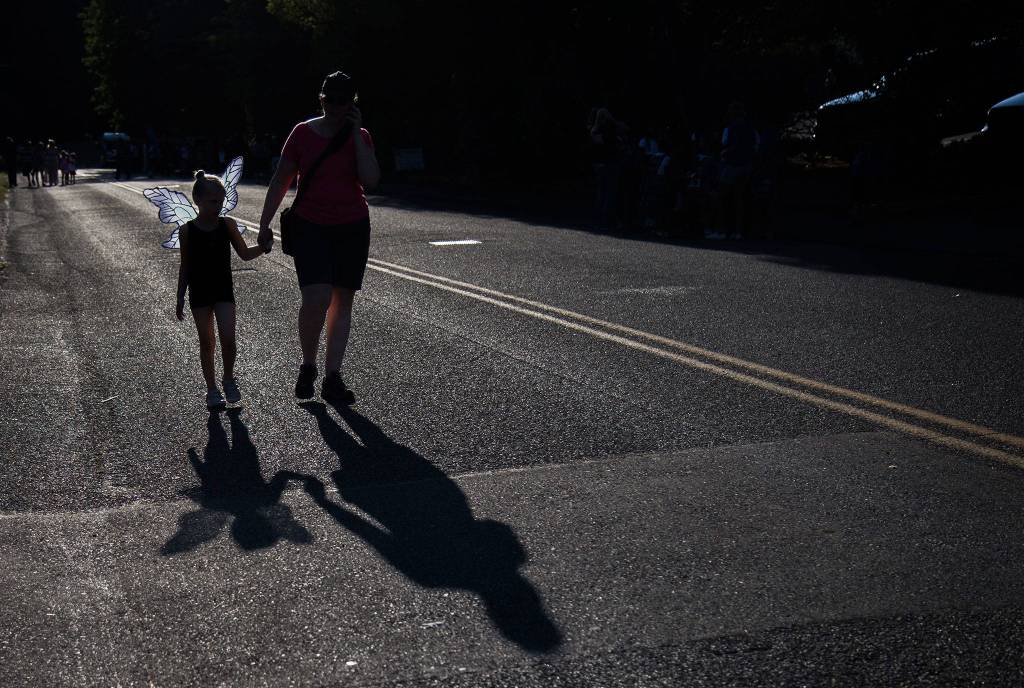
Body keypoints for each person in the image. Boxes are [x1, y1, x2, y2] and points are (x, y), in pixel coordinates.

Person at [257, 71, 380, 403]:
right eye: (332, 100)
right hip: (311, 225)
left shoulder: (360, 136)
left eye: (345, 102)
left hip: (352, 225)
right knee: (316, 298)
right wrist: (265, 223)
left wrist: (355, 133)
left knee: (342, 299)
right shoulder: (302, 134)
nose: (337, 107)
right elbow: (281, 179)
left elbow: (370, 180)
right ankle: (308, 364)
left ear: (352, 105)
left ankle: (332, 376)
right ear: (321, 99)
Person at [177, 170, 270, 410]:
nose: (218, 206)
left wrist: (263, 247)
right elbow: (185, 265)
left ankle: (228, 378)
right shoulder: (187, 230)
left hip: (223, 290)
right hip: (199, 293)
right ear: (197, 201)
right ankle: (211, 389)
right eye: (212, 201)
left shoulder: (227, 224)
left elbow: (245, 254)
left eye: (220, 201)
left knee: (228, 339)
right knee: (206, 342)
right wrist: (179, 297)